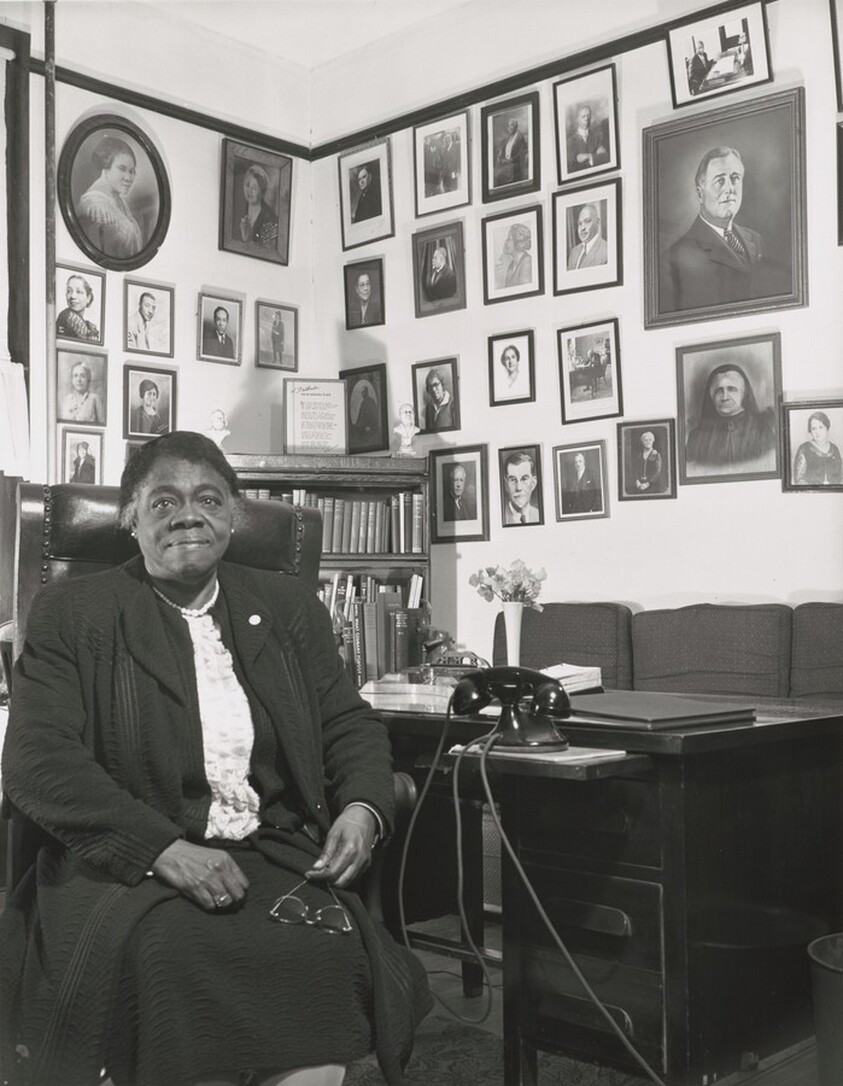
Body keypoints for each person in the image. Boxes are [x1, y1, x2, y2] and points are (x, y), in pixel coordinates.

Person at [0, 431, 431, 1086]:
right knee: (170, 963)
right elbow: (38, 758)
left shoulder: (286, 606)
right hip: (129, 861)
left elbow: (348, 722)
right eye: (163, 501)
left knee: (323, 957)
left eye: (208, 499)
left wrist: (364, 808)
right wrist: (162, 850)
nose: (188, 516)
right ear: (130, 518)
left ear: (233, 514)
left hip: (271, 853)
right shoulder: (74, 611)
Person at [660, 146, 764, 313]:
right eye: (720, 181)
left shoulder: (755, 239)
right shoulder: (671, 260)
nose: (730, 188)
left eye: (735, 178)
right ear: (700, 194)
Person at [685, 362, 777, 468]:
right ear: (711, 396)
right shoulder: (697, 437)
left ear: (743, 393)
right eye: (719, 391)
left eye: (732, 389)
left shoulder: (762, 431)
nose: (725, 397)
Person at [77, 134, 144, 259]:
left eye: (131, 171)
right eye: (122, 169)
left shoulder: (119, 200)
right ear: (105, 166)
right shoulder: (95, 207)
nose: (128, 177)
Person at [793, 411, 843, 486]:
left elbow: (841, 477)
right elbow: (799, 480)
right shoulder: (804, 449)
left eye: (821, 427)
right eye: (814, 429)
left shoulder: (834, 449)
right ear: (810, 431)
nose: (817, 432)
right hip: (812, 492)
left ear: (827, 428)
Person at [239, 163, 278, 249]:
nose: (249, 191)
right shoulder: (239, 211)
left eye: (254, 188)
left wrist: (248, 238)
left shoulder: (270, 221)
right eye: (247, 185)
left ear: (262, 193)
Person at [56, 273, 100, 342]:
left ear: (88, 298)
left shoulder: (87, 324)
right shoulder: (66, 316)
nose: (72, 296)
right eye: (69, 291)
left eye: (79, 292)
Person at [567, 104, 608, 173]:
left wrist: (588, 157)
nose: (586, 119)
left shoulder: (597, 137)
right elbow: (572, 169)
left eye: (588, 116)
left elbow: (605, 159)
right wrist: (595, 157)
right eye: (583, 116)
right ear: (577, 119)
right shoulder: (570, 142)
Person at [60, 360, 104, 424]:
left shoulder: (94, 399)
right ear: (72, 380)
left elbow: (102, 424)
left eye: (82, 376)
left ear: (88, 379)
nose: (79, 380)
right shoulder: (67, 400)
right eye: (75, 376)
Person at [502, 449, 540, 524]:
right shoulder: (499, 517)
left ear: (533, 483)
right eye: (513, 480)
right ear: (506, 485)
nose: (518, 488)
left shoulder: (539, 515)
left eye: (524, 479)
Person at [567, 203, 608, 270]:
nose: (582, 228)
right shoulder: (574, 252)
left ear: (597, 222)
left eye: (587, 221)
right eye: (580, 224)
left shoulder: (606, 251)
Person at [494, 116, 528, 187]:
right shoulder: (507, 139)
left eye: (511, 125)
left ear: (516, 127)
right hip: (506, 163)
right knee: (496, 174)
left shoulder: (520, 137)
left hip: (515, 164)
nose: (509, 127)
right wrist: (500, 156)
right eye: (508, 125)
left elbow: (521, 153)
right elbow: (502, 150)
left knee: (499, 175)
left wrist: (510, 160)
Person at [500, 223, 533, 288]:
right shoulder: (511, 265)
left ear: (518, 243)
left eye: (509, 239)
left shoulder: (527, 262)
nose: (505, 242)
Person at [350, 383, 379, 448]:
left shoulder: (371, 401)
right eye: (362, 393)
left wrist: (369, 426)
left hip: (369, 426)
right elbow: (360, 416)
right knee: (354, 430)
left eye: (364, 392)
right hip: (363, 424)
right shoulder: (362, 403)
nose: (362, 394)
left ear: (366, 392)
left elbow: (374, 415)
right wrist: (356, 424)